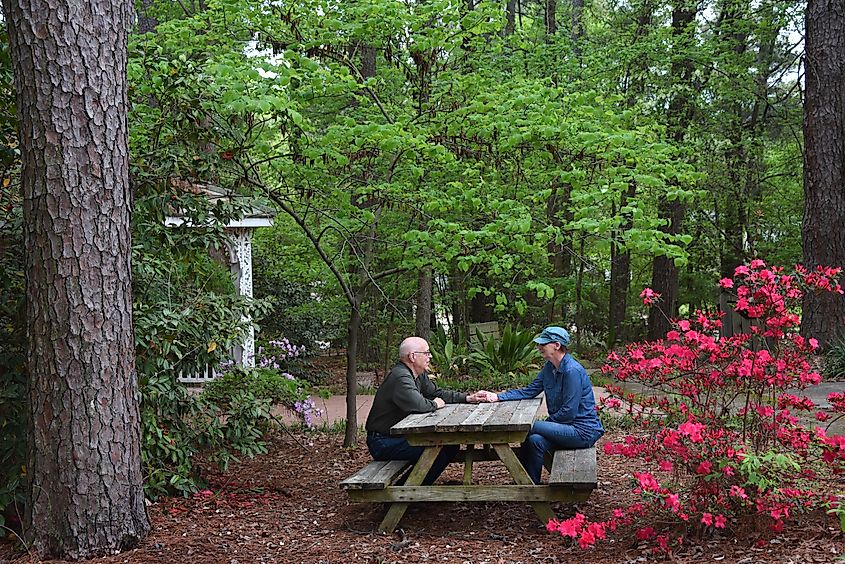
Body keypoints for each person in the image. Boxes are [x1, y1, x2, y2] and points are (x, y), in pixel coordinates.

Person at [479, 326, 604, 484]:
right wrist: (497, 397)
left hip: (582, 431)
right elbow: (530, 390)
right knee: (534, 440)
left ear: (557, 345)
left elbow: (569, 413)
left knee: (529, 427)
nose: (539, 347)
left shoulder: (572, 371)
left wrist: (545, 424)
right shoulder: (549, 368)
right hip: (564, 428)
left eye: (543, 344)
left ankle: (524, 483)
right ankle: (528, 484)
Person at [365, 336, 486, 485]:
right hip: (383, 442)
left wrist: (467, 398)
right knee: (437, 451)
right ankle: (403, 493)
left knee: (451, 445)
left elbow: (437, 393)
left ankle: (412, 488)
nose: (430, 357)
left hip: (397, 437)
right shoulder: (400, 377)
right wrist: (436, 405)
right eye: (426, 353)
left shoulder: (417, 374)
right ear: (412, 356)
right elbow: (419, 404)